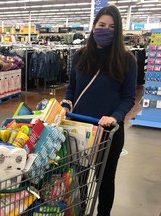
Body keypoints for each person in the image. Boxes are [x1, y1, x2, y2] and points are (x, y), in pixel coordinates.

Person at [61, 5, 137, 216]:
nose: (105, 29)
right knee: (80, 178)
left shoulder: (127, 59)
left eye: (112, 27)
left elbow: (128, 97)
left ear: (118, 30)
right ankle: (82, 211)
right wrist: (67, 103)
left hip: (109, 131)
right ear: (94, 26)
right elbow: (72, 88)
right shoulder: (80, 55)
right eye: (102, 25)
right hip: (80, 129)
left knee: (104, 181)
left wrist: (114, 116)